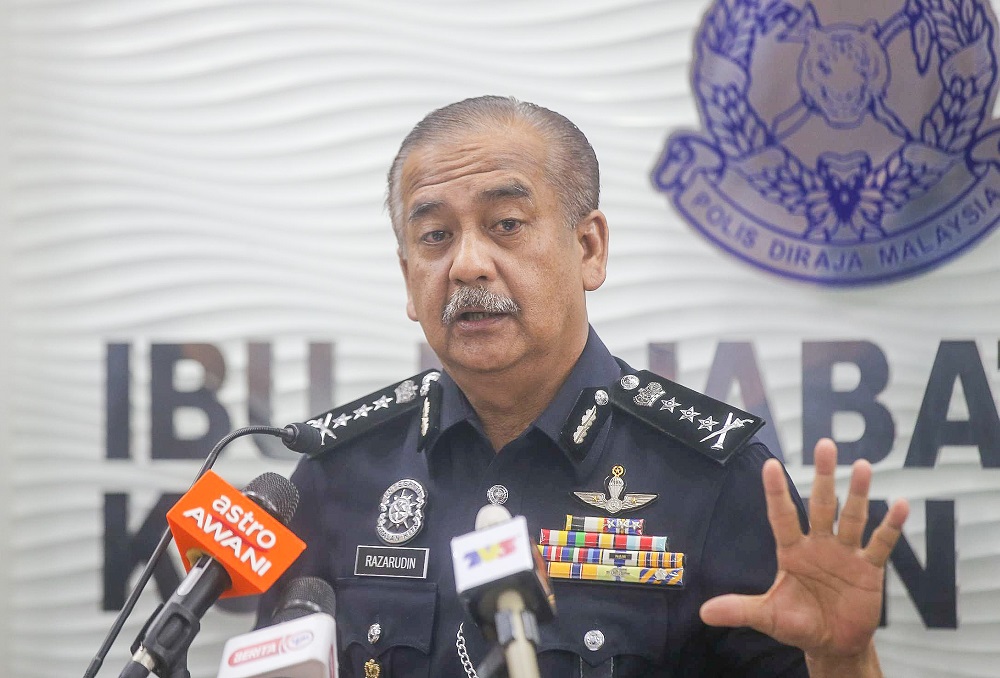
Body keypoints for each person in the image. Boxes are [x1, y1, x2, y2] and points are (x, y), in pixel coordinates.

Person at [256, 95, 909, 677]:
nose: (467, 264)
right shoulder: (335, 475)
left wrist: (843, 660)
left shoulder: (714, 478)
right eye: (435, 236)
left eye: (506, 224)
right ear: (408, 278)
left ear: (589, 248)